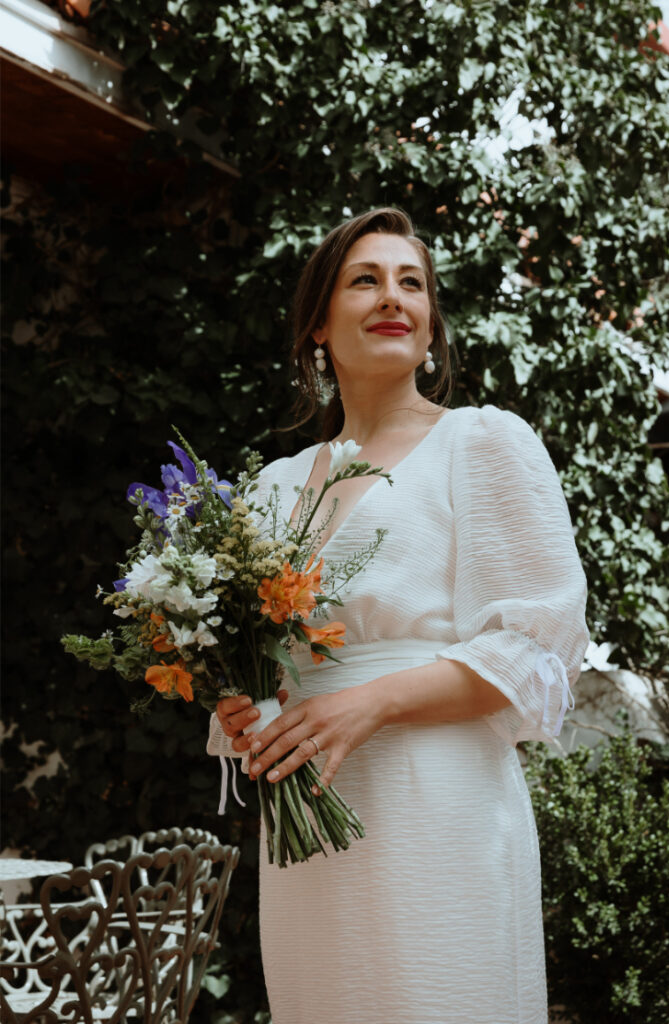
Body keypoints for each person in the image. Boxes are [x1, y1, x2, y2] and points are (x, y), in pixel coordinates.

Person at [211, 207, 589, 1024]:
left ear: (430, 332)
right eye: (365, 280)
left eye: (412, 283)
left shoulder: (482, 444)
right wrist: (247, 706)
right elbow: (256, 658)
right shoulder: (272, 488)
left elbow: (534, 648)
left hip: (438, 800)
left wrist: (369, 702)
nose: (394, 297)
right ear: (319, 323)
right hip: (310, 821)